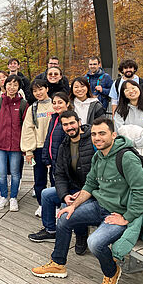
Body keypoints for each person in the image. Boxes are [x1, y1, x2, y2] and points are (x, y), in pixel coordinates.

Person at [32, 117, 143, 284]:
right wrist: (74, 206)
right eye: (94, 134)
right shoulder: (98, 156)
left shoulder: (126, 158)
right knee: (65, 217)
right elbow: (89, 185)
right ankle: (58, 263)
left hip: (118, 213)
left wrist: (126, 217)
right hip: (99, 205)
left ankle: (111, 272)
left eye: (102, 133)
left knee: (94, 243)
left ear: (113, 135)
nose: (97, 137)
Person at [28, 110, 93, 257]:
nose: (69, 127)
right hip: (71, 186)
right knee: (47, 194)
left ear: (79, 122)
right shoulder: (64, 146)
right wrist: (64, 195)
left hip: (90, 189)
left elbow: (98, 173)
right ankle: (50, 230)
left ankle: (81, 235)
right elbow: (60, 174)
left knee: (71, 207)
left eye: (72, 123)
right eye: (65, 124)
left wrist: (83, 192)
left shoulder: (92, 141)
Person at [0, 75, 28, 212]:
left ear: (18, 87)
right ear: (5, 86)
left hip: (16, 146)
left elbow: (26, 127)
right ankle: (4, 196)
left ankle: (14, 198)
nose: (12, 87)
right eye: (9, 84)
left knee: (16, 173)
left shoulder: (23, 104)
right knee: (2, 173)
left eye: (15, 85)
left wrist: (25, 147)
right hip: (0, 144)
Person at [20, 79, 54, 212]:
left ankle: (56, 205)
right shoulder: (32, 108)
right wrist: (28, 151)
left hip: (54, 147)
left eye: (40, 89)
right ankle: (42, 205)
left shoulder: (55, 104)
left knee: (55, 178)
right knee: (39, 178)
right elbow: (28, 129)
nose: (38, 93)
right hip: (38, 148)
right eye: (35, 91)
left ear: (47, 89)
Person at [39, 92, 71, 217]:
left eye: (60, 102)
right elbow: (49, 138)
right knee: (54, 184)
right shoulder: (54, 118)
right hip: (53, 161)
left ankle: (63, 211)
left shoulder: (68, 119)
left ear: (67, 104)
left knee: (63, 186)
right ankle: (56, 208)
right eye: (54, 103)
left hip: (63, 162)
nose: (57, 105)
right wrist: (46, 157)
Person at [114, 80, 143, 162]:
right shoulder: (120, 110)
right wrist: (129, 145)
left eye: (133, 87)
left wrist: (135, 143)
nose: (131, 91)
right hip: (125, 151)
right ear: (123, 94)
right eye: (127, 90)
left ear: (139, 88)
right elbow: (119, 130)